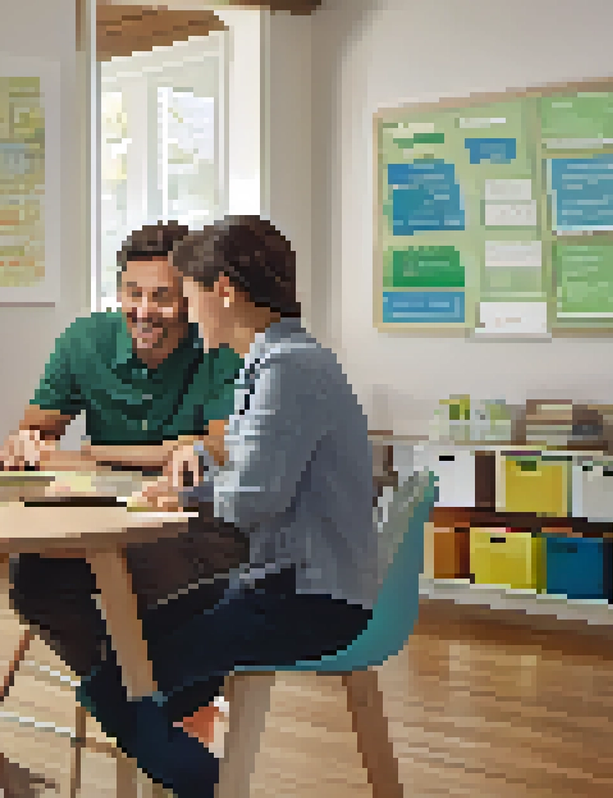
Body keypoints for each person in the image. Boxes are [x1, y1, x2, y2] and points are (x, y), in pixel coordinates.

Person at [109, 215, 378, 796]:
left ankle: (206, 783)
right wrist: (199, 478)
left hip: (307, 599)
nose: (185, 309)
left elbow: (255, 498)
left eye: (188, 293)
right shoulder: (285, 358)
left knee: (120, 686)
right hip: (287, 585)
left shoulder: (287, 368)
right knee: (127, 655)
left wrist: (187, 494)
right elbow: (264, 474)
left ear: (223, 291)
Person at [0, 222, 250, 748]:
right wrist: (24, 444)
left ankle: (177, 700)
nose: (144, 309)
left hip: (196, 516)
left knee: (154, 571)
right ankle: (131, 697)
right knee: (34, 580)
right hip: (102, 511)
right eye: (133, 292)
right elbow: (38, 428)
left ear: (189, 298)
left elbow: (219, 447)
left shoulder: (218, 346)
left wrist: (92, 453)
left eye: (162, 296)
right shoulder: (85, 340)